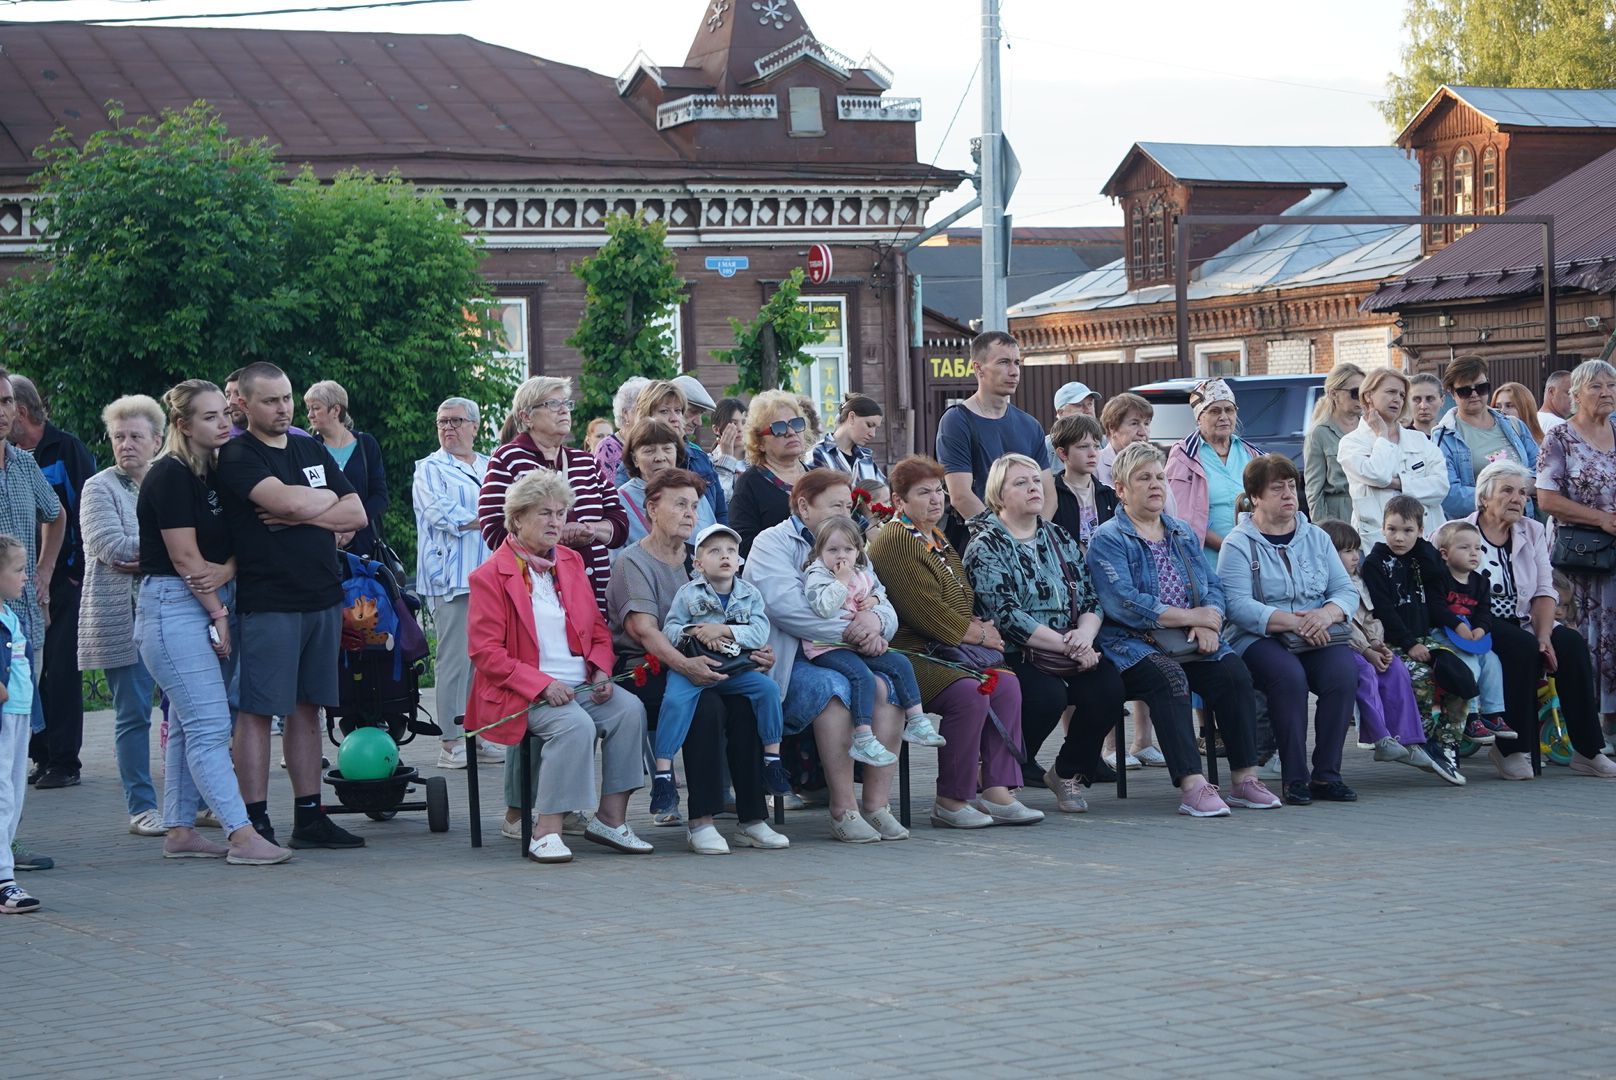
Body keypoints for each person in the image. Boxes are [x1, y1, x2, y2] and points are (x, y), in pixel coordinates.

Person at [215, 362, 369, 849]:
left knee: (308, 710)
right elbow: (290, 505)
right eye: (271, 401)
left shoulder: (307, 446)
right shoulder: (237, 455)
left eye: (287, 399)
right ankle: (256, 821)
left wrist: (302, 508)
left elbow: (357, 512)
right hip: (270, 600)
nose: (283, 409)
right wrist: (315, 505)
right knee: (259, 711)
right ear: (243, 404)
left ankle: (310, 817)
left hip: (323, 596)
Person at [135, 380, 289, 865]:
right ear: (183, 425)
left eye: (225, 413)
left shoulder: (209, 472)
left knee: (186, 725)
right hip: (174, 607)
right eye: (210, 417)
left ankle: (179, 830)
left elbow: (224, 553)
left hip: (202, 600)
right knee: (208, 725)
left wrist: (225, 576)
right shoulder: (171, 475)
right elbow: (185, 560)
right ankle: (240, 833)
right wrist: (219, 614)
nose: (224, 423)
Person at [467, 469, 652, 864]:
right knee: (574, 725)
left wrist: (602, 669)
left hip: (580, 684)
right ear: (517, 519)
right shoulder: (490, 575)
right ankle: (545, 829)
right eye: (545, 514)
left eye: (561, 513)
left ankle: (610, 819)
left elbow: (598, 631)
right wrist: (540, 685)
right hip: (521, 691)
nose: (556, 522)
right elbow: (485, 653)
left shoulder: (569, 562)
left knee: (629, 710)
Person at [1086, 442, 1280, 817]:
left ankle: (1244, 779)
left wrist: (1211, 621)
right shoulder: (1108, 538)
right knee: (1170, 679)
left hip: (1189, 638)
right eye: (1144, 478)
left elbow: (1212, 585)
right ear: (1121, 489)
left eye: (1160, 476)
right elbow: (1123, 602)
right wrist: (1194, 618)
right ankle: (1192, 786)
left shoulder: (1180, 531)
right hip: (1133, 644)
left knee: (1234, 673)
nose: (1156, 484)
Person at [605, 469, 783, 852]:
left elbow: (735, 619)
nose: (690, 513)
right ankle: (701, 821)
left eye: (694, 506)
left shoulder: (701, 558)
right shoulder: (632, 562)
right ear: (652, 508)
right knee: (709, 706)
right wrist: (685, 665)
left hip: (713, 661)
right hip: (646, 667)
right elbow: (644, 632)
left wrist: (751, 656)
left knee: (748, 702)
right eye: (679, 504)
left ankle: (752, 818)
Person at [744, 469, 912, 842]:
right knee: (834, 689)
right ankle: (843, 809)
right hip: (793, 658)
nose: (847, 514)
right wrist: (858, 634)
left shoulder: (848, 541)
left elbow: (881, 599)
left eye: (850, 506)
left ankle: (877, 806)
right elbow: (789, 611)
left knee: (889, 687)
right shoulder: (771, 543)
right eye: (837, 505)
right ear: (804, 506)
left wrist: (876, 623)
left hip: (849, 651)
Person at [868, 455, 1032, 828]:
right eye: (923, 492)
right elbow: (928, 614)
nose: (936, 498)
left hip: (945, 648)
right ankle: (951, 799)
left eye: (939, 490)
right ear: (899, 501)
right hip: (907, 654)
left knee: (1005, 683)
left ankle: (998, 790)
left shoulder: (935, 536)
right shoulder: (896, 541)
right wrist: (982, 634)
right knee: (968, 693)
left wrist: (973, 629)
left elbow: (961, 599)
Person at [964, 452, 1124, 816]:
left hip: (1071, 644)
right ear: (999, 495)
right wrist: (1071, 646)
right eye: (1020, 483)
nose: (1034, 488)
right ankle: (998, 773)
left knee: (1109, 689)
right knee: (1046, 697)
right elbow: (1005, 616)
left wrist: (1084, 636)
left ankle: (1066, 772)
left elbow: (1091, 598)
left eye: (1036, 480)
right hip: (1017, 650)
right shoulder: (986, 544)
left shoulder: (1058, 537)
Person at [1217, 455, 1361, 805]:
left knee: (1343, 673)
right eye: (1277, 488)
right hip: (1259, 637)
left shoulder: (1315, 537)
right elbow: (1236, 605)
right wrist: (1295, 622)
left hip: (1316, 630)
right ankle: (1295, 778)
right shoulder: (1238, 543)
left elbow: (1345, 589)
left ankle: (1327, 776)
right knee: (1289, 677)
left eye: (1291, 486)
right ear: (1255, 497)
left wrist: (1326, 616)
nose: (1288, 494)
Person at [1465, 459, 1616, 779]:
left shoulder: (1531, 531)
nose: (1518, 498)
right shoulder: (1459, 532)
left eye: (1522, 492)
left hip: (1525, 620)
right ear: (1483, 497)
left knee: (1571, 643)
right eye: (1507, 491)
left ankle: (1588, 750)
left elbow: (1545, 590)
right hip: (1477, 623)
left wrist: (1545, 635)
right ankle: (1510, 748)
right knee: (1522, 646)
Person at [653, 522, 791, 814]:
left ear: (739, 560)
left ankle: (773, 760)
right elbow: (671, 629)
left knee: (768, 689)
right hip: (693, 668)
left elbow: (759, 632)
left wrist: (724, 631)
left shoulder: (749, 594)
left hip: (734, 670)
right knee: (674, 701)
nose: (724, 556)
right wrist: (696, 630)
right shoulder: (688, 594)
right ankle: (664, 775)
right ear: (698, 563)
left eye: (731, 550)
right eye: (715, 551)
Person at [78, 394, 165, 835]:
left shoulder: (170, 481)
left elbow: (202, 539)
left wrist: (153, 554)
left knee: (191, 714)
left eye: (135, 436)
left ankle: (196, 801)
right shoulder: (98, 487)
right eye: (118, 436)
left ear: (157, 440)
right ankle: (142, 807)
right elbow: (109, 547)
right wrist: (173, 551)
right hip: (121, 617)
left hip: (171, 614)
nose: (126, 444)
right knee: (133, 714)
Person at [1316, 518, 1452, 782]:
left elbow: (1369, 618)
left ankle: (1410, 739)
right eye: (1347, 551)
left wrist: (1378, 643)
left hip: (1367, 646)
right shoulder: (1323, 584)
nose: (1356, 557)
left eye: (1356, 550)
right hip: (1340, 647)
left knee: (1396, 668)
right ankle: (1380, 738)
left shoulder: (1357, 580)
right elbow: (1344, 625)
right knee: (1366, 672)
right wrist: (1368, 650)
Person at [9, 375, 94, 791]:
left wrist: (63, 568)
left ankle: (63, 760)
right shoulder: (23, 455)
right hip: (21, 587)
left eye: (8, 403)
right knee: (30, 679)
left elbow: (72, 511)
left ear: (19, 410)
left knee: (58, 671)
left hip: (62, 580)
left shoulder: (60, 450)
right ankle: (40, 756)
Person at [802, 515, 946, 761]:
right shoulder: (817, 575)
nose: (841, 556)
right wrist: (841, 581)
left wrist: (875, 600)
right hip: (828, 647)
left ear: (858, 551)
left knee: (900, 663)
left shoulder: (860, 572)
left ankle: (917, 721)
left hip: (858, 643)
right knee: (863, 676)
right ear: (819, 552)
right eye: (832, 549)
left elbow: (879, 590)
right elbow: (824, 607)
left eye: (848, 549)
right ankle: (863, 737)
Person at [479, 376, 627, 614]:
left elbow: (619, 524)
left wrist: (590, 530)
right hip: (538, 595)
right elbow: (495, 531)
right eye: (553, 404)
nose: (564, 411)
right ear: (526, 417)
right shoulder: (508, 459)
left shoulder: (586, 462)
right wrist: (557, 536)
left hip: (594, 594)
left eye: (567, 404)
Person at [1359, 495, 1479, 776]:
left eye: (1408, 531)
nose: (1399, 538)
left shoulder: (1422, 558)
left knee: (1459, 676)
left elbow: (1439, 576)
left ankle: (1447, 744)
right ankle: (1421, 741)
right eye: (1392, 529)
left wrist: (1422, 547)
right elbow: (1385, 611)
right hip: (1394, 642)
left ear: (1421, 532)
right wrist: (1409, 643)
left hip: (1426, 638)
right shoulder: (1376, 562)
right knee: (1422, 679)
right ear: (1383, 528)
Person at [412, 396, 496, 770]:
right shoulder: (428, 468)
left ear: (475, 427)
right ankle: (450, 741)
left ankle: (478, 735)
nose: (448, 427)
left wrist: (501, 514)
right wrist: (496, 515)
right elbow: (441, 514)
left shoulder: (489, 464)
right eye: (442, 421)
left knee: (486, 661)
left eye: (456, 421)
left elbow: (512, 505)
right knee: (454, 660)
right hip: (453, 576)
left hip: (491, 575)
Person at [1534, 359, 1616, 731]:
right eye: (1597, 386)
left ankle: (1611, 722)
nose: (1606, 393)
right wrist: (1601, 518)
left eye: (1611, 386)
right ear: (1576, 394)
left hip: (1614, 554)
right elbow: (1547, 499)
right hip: (1578, 556)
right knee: (1582, 635)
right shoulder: (1560, 438)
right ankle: (1578, 725)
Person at [0, 369, 62, 807]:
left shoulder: (23, 461)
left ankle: (9, 840)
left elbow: (55, 514)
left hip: (21, 618)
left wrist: (43, 569)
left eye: (5, 402)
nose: (2, 412)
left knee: (16, 729)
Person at [935, 330, 1054, 520]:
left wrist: (1034, 538)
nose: (1014, 371)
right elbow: (961, 497)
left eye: (1017, 363)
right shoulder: (957, 421)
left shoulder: (1030, 425)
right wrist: (1005, 541)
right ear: (978, 368)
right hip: (980, 541)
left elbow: (1049, 496)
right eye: (1003, 362)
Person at [1338, 366, 1449, 550]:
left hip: (1426, 542)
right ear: (1368, 396)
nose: (1397, 399)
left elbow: (1440, 487)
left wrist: (1400, 484)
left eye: (1402, 395)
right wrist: (1382, 434)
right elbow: (1379, 474)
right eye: (1390, 392)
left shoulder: (1419, 439)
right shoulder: (1351, 444)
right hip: (1378, 546)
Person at [1167, 377, 1271, 563]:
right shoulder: (1184, 456)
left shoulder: (1252, 454)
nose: (1224, 417)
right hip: (1208, 559)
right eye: (1215, 411)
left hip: (1254, 555)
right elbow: (1180, 517)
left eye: (1229, 410)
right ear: (1200, 417)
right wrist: (1230, 547)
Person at [1427, 520, 1514, 739]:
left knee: (1492, 661)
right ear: (1445, 554)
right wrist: (1457, 624)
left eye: (1478, 548)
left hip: (1470, 637)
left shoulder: (1480, 582)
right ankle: (1470, 717)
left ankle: (1494, 714)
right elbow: (1435, 608)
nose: (1473, 553)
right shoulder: (1439, 579)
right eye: (1464, 548)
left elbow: (1484, 612)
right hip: (1443, 634)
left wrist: (1481, 629)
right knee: (1470, 664)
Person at [1431, 356, 1538, 521]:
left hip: (1523, 524)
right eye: (1465, 391)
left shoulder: (1514, 425)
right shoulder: (1444, 437)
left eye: (1481, 388)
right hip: (1475, 531)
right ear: (1452, 393)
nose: (1474, 395)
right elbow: (1449, 494)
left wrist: (1520, 490)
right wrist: (1500, 498)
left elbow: (1540, 470)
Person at [1, 535, 44, 912]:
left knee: (13, 796)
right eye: (17, 570)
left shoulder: (10, 615)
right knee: (1, 798)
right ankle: (4, 880)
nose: (25, 577)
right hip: (4, 717)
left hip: (18, 714)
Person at [304, 380, 388, 559]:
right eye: (309, 409)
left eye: (316, 408)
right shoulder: (309, 449)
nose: (310, 415)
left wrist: (352, 525)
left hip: (365, 545)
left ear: (336, 410)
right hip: (324, 543)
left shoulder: (367, 444)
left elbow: (380, 496)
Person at [728, 389, 812, 558]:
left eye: (796, 424)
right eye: (779, 428)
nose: (791, 432)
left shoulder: (817, 478)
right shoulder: (749, 484)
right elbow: (744, 547)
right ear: (760, 443)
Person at [616, 419, 715, 552]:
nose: (660, 457)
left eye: (667, 449)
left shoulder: (691, 490)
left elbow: (713, 538)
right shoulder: (620, 501)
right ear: (635, 459)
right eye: (649, 451)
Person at [1303, 362, 1365, 526]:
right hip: (1339, 514)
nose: (1361, 398)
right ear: (1333, 394)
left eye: (1365, 392)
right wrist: (1323, 528)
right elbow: (1313, 490)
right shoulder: (1319, 433)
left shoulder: (1369, 427)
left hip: (1370, 510)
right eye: (1355, 393)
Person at [1049, 413, 1117, 550]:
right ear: (1062, 453)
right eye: (1083, 446)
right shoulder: (1050, 495)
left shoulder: (1110, 495)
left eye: (1096, 446)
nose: (1092, 453)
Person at [671, 373, 729, 524]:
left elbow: (721, 513)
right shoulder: (638, 459)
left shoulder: (701, 459)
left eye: (701, 414)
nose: (698, 422)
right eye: (692, 412)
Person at [810, 393, 889, 491]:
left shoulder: (866, 458)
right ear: (851, 417)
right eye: (869, 425)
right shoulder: (817, 453)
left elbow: (886, 493)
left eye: (876, 428)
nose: (873, 434)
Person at [591, 375, 649, 485]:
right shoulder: (607, 448)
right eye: (642, 410)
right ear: (625, 413)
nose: (649, 415)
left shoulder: (652, 440)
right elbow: (610, 492)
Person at [1095, 392, 1152, 488]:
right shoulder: (1095, 466)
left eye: (1146, 424)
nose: (1143, 432)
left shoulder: (1154, 466)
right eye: (1134, 423)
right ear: (1112, 428)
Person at [710, 395, 748, 500]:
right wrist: (726, 458)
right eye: (733, 423)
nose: (740, 428)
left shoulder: (758, 460)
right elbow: (719, 501)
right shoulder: (708, 463)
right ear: (717, 429)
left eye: (744, 422)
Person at [1492, 382, 1546, 446]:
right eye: (1498, 407)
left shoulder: (1545, 446)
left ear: (1526, 408)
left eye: (1509, 406)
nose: (1502, 411)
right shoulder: (1490, 442)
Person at [1407, 372, 1444, 437]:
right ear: (1407, 401)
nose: (1423, 406)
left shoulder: (1452, 438)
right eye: (1417, 399)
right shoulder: (1400, 439)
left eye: (1430, 399)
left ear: (1442, 401)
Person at [1539, 369, 1572, 433]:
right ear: (1551, 392)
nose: (1574, 398)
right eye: (1569, 393)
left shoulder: (1533, 420)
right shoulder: (1559, 425)